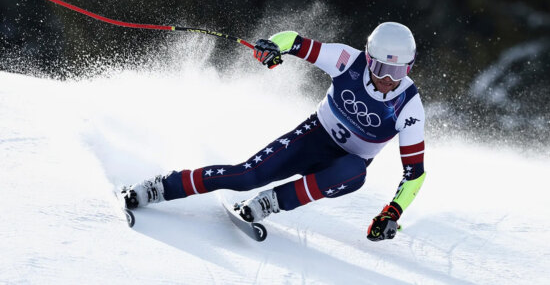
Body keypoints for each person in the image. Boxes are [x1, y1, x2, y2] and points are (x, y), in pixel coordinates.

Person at [121, 22, 426, 242]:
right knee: (245, 176)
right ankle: (162, 186)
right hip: (312, 138)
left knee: (355, 171)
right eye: (382, 68)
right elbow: (294, 41)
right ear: (368, 58)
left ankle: (270, 202)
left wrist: (392, 213)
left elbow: (415, 173)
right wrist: (272, 47)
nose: (388, 79)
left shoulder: (409, 106)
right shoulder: (348, 60)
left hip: (342, 166)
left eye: (398, 72)